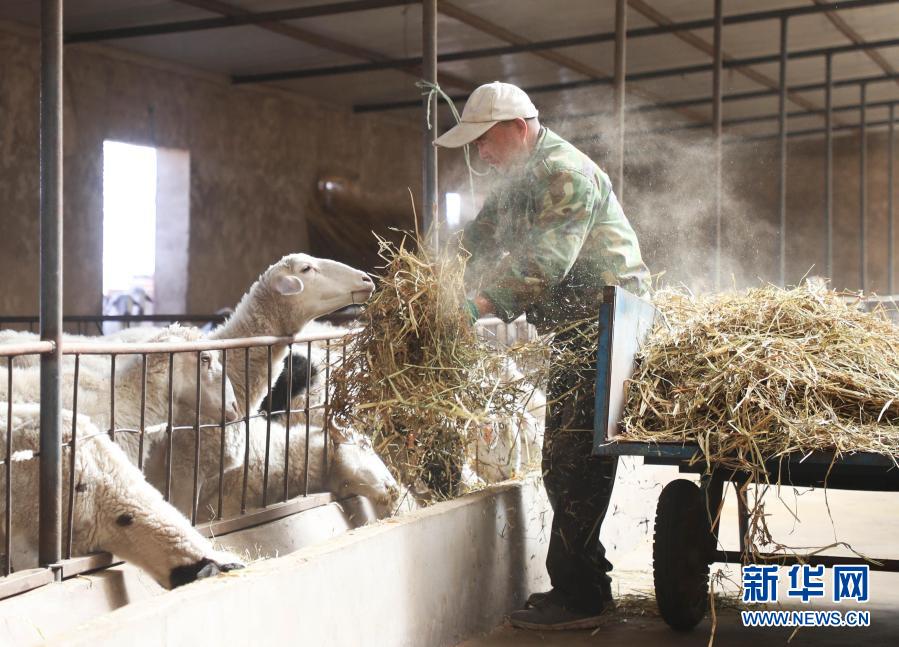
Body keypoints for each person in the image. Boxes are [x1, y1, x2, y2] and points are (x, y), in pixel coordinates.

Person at [436, 82, 651, 631]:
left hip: (608, 322)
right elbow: (481, 235)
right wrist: (433, 269)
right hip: (581, 325)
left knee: (573, 458)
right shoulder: (522, 177)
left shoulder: (565, 175)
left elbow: (544, 265)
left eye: (484, 140)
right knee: (566, 456)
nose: (481, 153)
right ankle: (583, 586)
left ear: (516, 126)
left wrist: (477, 303)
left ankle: (580, 598)